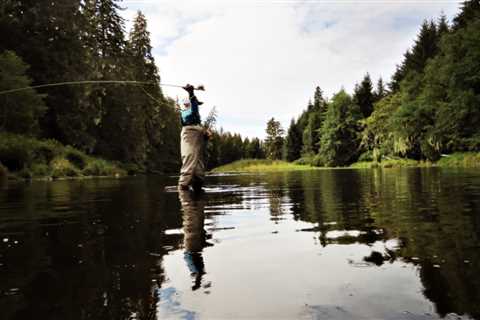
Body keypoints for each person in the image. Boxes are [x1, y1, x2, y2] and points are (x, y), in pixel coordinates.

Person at [178, 84, 206, 192]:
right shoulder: (186, 111)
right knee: (192, 160)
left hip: (194, 132)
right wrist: (191, 94)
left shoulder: (191, 109)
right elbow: (192, 110)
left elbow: (193, 109)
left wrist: (191, 94)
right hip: (192, 132)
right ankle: (188, 187)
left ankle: (187, 187)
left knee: (193, 162)